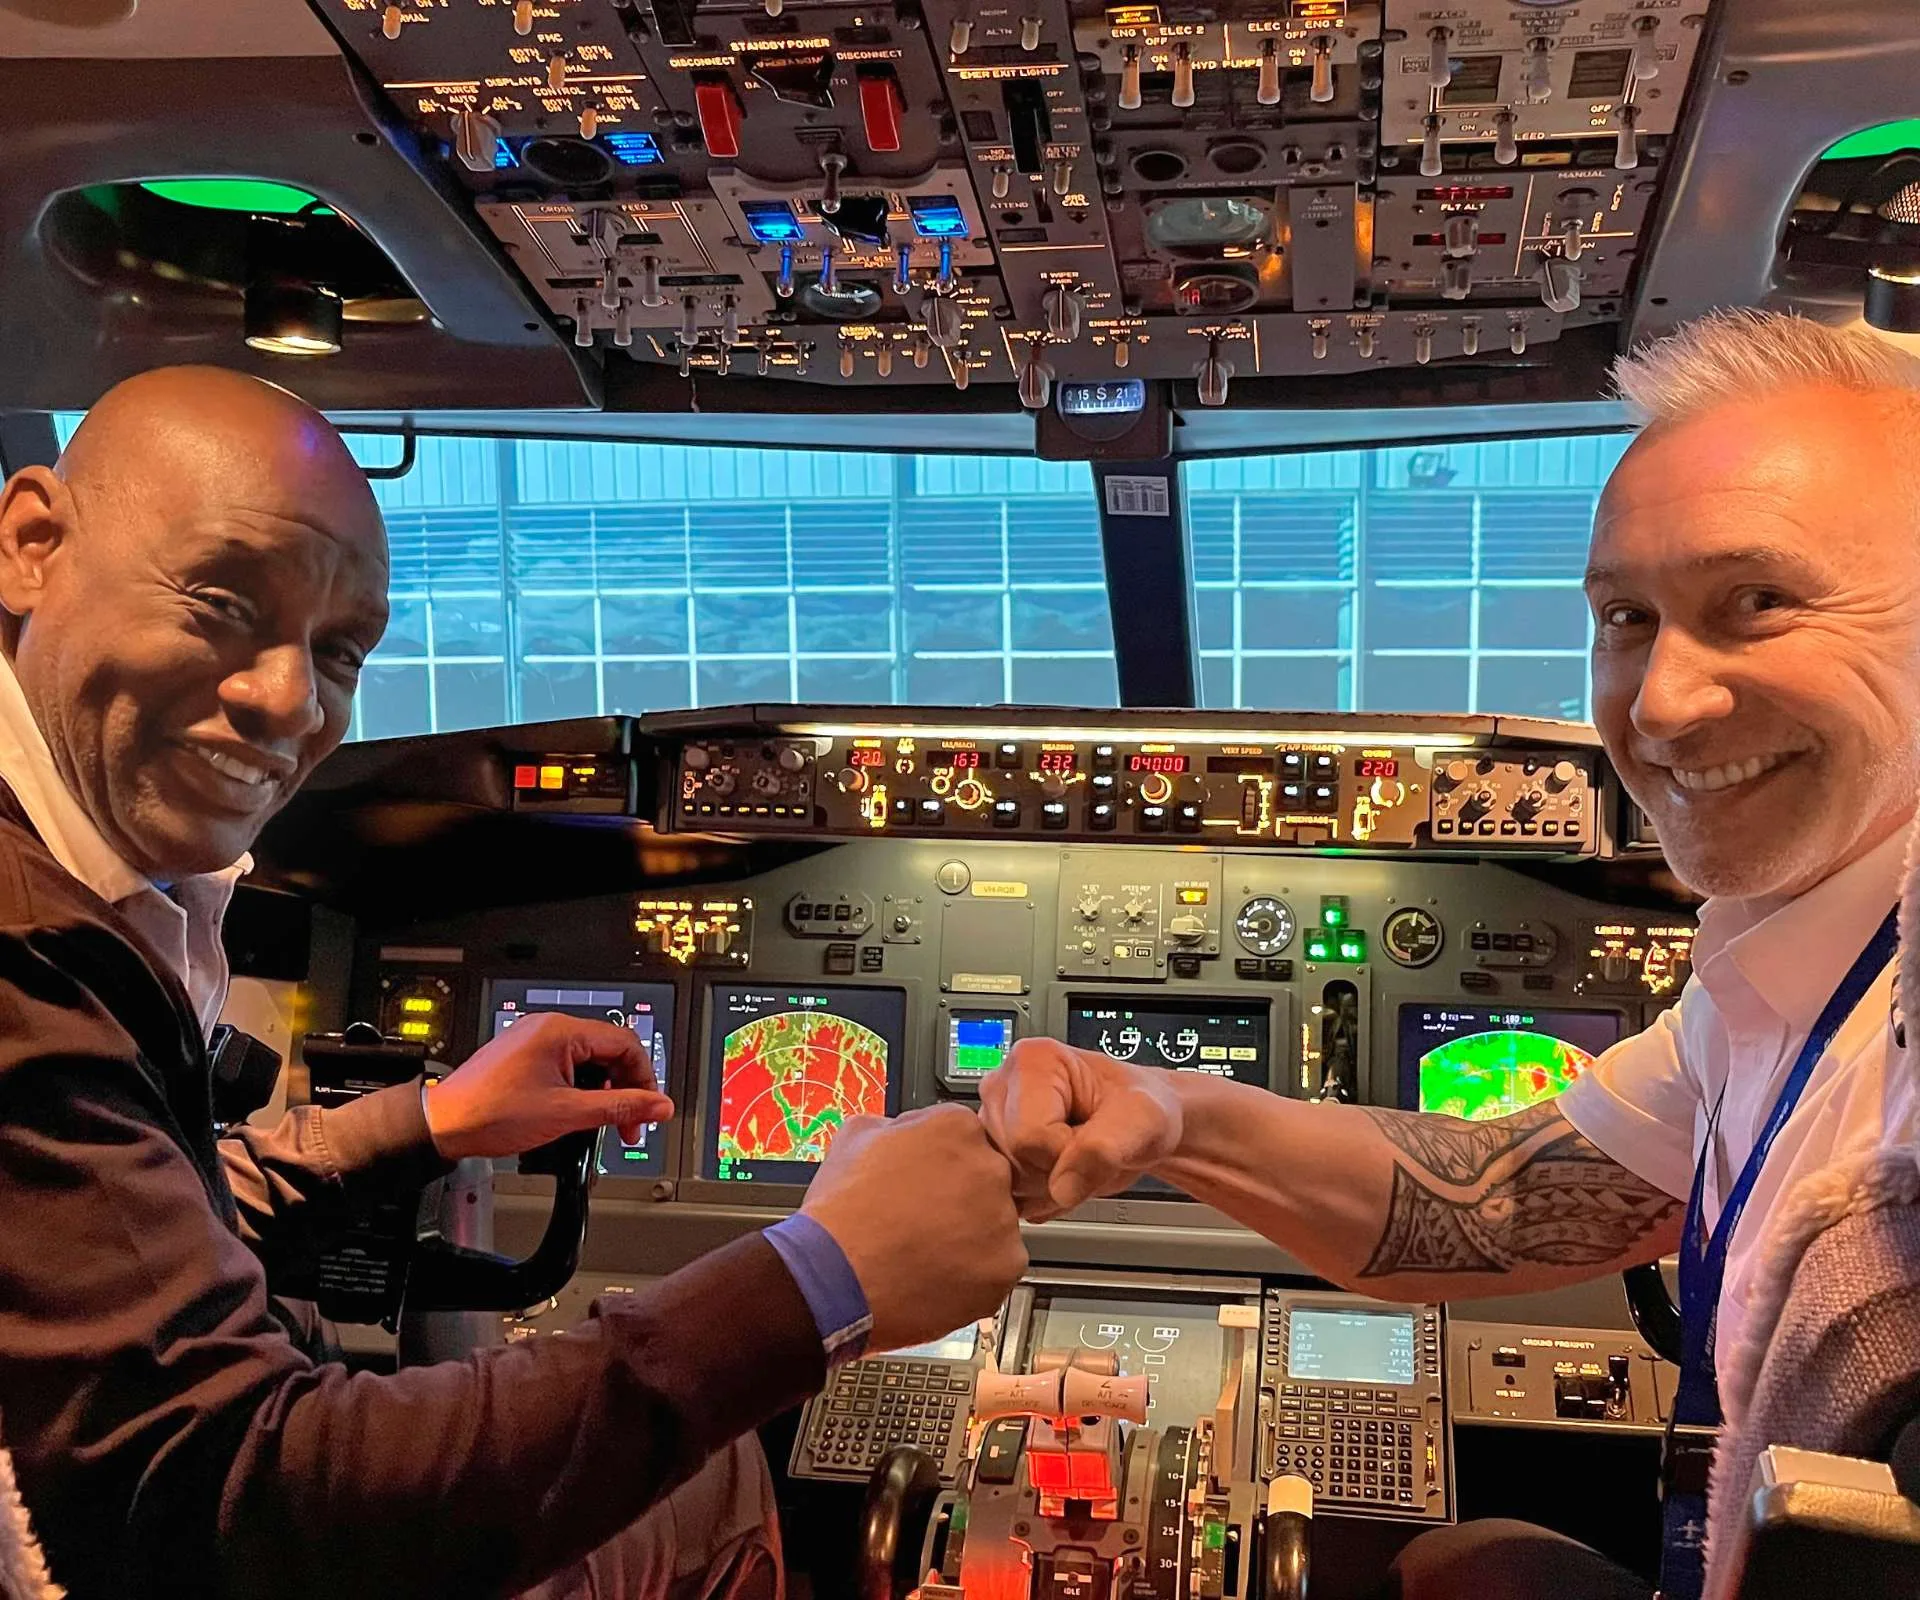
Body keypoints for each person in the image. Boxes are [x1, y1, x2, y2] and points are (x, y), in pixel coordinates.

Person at [0, 367, 1030, 1600]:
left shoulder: (77, 886)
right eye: (223, 599)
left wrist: (432, 1119)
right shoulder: (26, 950)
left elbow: (138, 1214)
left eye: (338, 651)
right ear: (31, 544)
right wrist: (821, 1278)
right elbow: (243, 1494)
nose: (285, 698)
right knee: (711, 1484)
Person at [980, 308, 1920, 1600]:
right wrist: (1170, 1115)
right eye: (1629, 618)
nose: (1660, 703)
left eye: (1758, 603)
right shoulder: (1786, 973)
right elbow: (1501, 1199)